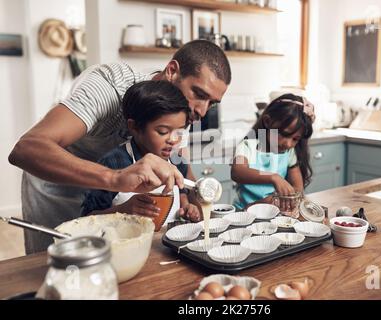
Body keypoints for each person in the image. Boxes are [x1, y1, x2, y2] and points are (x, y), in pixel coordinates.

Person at [8, 40, 231, 254]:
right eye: (199, 94)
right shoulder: (109, 87)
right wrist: (115, 178)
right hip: (58, 187)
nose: (202, 111)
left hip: (113, 195)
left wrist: (196, 199)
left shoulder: (181, 110)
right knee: (57, 268)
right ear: (172, 71)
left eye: (211, 103)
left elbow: (179, 161)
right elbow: (27, 148)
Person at [81, 80, 201, 224]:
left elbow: (182, 194)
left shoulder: (176, 161)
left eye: (180, 132)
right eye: (163, 132)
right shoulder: (114, 163)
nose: (174, 140)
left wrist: (187, 206)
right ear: (135, 127)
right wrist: (124, 209)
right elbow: (86, 219)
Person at [231, 94, 314, 211]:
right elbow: (237, 171)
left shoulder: (289, 152)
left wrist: (278, 200)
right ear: (267, 122)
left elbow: (298, 189)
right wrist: (273, 177)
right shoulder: (247, 146)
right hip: (245, 213)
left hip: (274, 213)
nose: (288, 144)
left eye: (295, 139)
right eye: (284, 134)